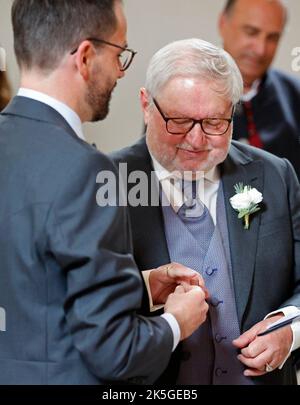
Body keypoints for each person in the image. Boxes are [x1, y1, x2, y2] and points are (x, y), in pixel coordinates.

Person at [0, 0, 209, 385]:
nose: (120, 72)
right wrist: (177, 322)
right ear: (84, 56)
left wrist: (140, 286)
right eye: (120, 53)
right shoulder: (87, 170)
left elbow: (32, 285)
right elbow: (116, 353)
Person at [111, 38, 300, 385]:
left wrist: (291, 330)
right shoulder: (104, 180)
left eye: (215, 122)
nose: (196, 141)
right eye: (180, 121)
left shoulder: (276, 174)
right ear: (145, 105)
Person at [218, 0, 300, 179]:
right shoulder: (180, 92)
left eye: (272, 38)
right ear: (223, 23)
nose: (261, 50)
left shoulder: (295, 95)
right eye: (251, 32)